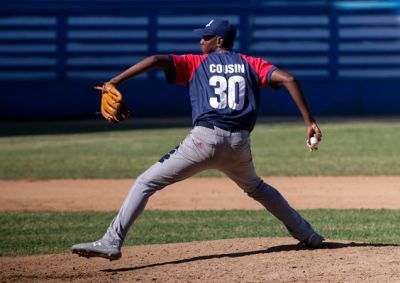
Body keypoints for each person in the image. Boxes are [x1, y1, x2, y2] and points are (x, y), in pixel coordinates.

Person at [72, 19, 324, 261]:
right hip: (239, 144)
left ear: (219, 40)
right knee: (257, 188)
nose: (201, 41)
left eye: (206, 37)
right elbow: (289, 79)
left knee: (145, 182)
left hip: (204, 140)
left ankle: (111, 241)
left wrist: (116, 80)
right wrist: (309, 121)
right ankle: (308, 234)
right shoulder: (251, 63)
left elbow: (155, 60)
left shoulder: (196, 63)